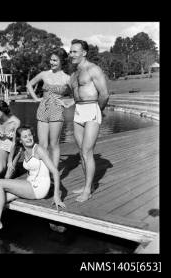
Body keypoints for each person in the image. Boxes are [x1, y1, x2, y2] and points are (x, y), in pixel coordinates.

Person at [68, 39, 109, 202]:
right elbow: (75, 95)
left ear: (84, 53)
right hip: (78, 111)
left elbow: (104, 94)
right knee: (81, 152)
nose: (71, 54)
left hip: (92, 108)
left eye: (74, 51)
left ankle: (87, 190)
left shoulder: (93, 69)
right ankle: (89, 185)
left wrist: (98, 111)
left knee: (87, 151)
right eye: (70, 51)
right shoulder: (74, 74)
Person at [26, 48, 71, 169]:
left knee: (54, 144)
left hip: (56, 110)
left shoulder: (67, 78)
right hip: (43, 109)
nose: (52, 62)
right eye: (51, 59)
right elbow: (29, 84)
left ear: (62, 61)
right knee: (42, 145)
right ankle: (43, 171)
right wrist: (35, 98)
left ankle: (54, 173)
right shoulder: (44, 74)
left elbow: (78, 92)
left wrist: (69, 103)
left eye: (55, 60)